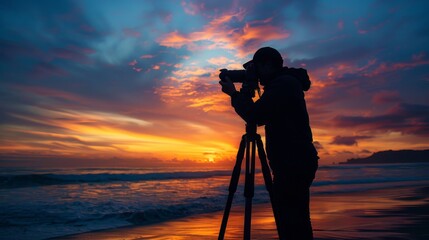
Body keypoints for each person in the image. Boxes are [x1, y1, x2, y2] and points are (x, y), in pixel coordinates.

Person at [219, 46, 319, 240]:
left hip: (292, 164)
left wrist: (234, 94)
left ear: (267, 65)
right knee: (296, 221)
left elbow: (255, 115)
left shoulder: (283, 85)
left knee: (291, 223)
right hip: (295, 161)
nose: (256, 75)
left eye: (256, 68)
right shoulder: (284, 83)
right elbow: (262, 115)